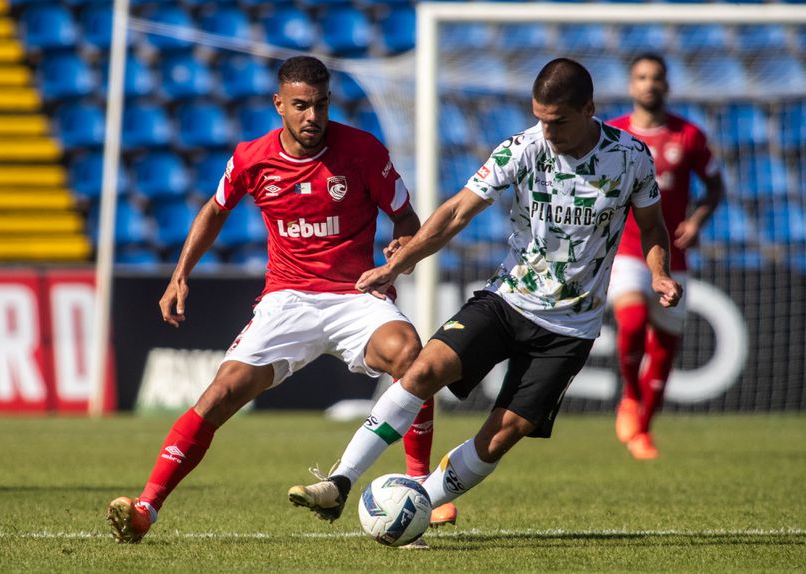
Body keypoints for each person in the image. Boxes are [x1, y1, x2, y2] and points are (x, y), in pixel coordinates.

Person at [287, 57, 683, 531]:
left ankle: (417, 504)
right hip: (507, 299)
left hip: (570, 327)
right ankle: (340, 481)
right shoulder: (522, 149)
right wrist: (399, 262)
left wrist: (659, 272)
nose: (547, 131)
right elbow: (456, 212)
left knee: (502, 435)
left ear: (588, 109)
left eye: (556, 121)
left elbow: (654, 227)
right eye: (539, 118)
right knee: (423, 369)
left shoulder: (632, 157)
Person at [106, 56, 457, 545]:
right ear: (279, 106)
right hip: (287, 300)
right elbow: (214, 209)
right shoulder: (252, 158)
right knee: (220, 394)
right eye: (300, 106)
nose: (312, 116)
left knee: (412, 357)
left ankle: (420, 489)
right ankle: (145, 509)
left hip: (355, 296)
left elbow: (406, 217)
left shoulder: (362, 150)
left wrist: (401, 249)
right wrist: (180, 273)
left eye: (320, 105)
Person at [607, 53, 724, 460]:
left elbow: (715, 187)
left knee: (665, 349)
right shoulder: (613, 133)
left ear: (666, 85)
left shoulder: (688, 135)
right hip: (627, 250)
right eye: (641, 77)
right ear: (631, 85)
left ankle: (644, 427)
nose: (649, 84)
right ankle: (630, 397)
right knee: (633, 320)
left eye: (656, 78)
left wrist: (696, 222)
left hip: (673, 256)